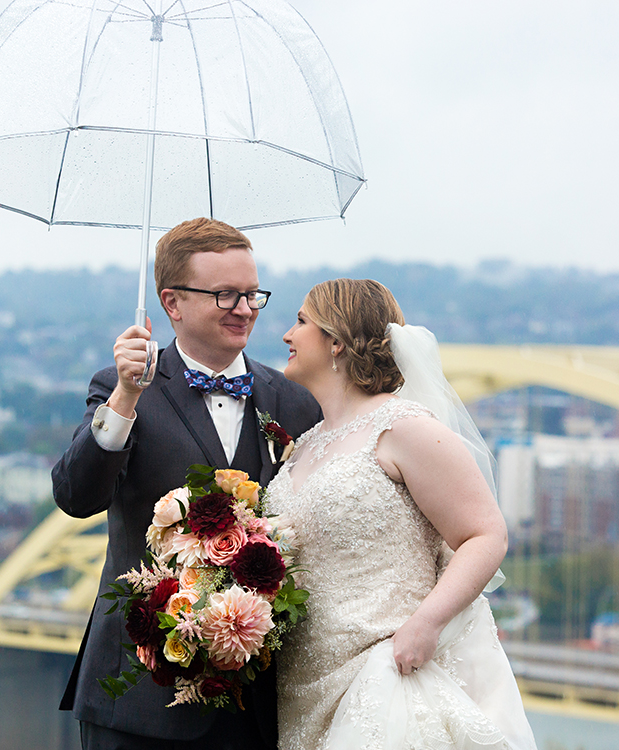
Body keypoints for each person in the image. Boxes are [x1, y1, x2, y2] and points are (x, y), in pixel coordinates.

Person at [53, 218, 322, 750]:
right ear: (171, 303)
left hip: (257, 702)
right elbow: (76, 496)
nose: (244, 309)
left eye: (252, 294)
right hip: (137, 695)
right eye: (224, 294)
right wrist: (125, 399)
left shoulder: (292, 398)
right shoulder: (119, 387)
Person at [266, 279, 537, 750]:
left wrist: (426, 623)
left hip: (385, 673)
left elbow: (485, 533)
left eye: (301, 321)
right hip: (300, 685)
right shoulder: (303, 445)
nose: (287, 335)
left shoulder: (403, 428)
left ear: (336, 340)